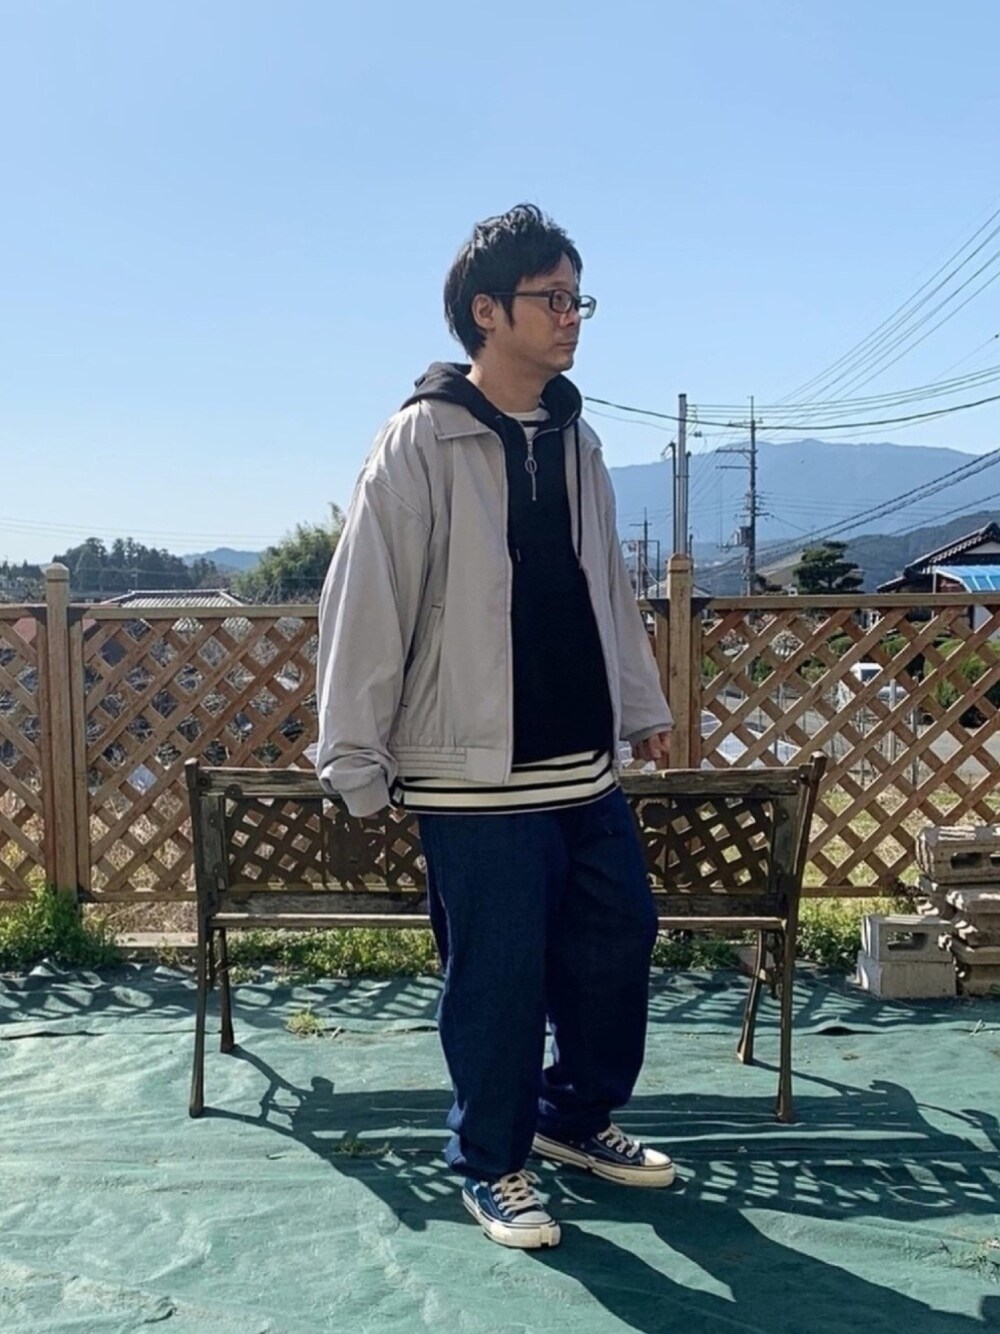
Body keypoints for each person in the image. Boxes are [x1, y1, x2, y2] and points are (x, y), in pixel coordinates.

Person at [315, 203, 675, 1250]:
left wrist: (640, 706)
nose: (571, 316)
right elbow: (368, 597)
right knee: (499, 979)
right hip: (470, 776)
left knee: (619, 946)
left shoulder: (577, 438)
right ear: (486, 311)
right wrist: (353, 754)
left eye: (578, 298)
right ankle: (490, 1162)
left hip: (583, 768)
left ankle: (572, 1115)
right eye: (551, 298)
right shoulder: (420, 438)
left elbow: (606, 587)